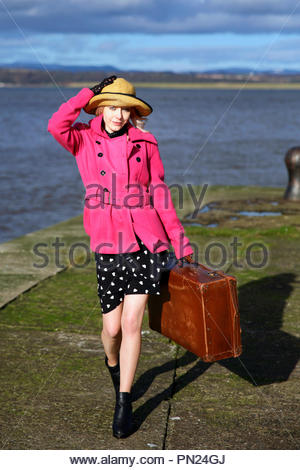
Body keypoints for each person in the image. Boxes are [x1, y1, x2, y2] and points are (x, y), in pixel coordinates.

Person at [48, 75, 194, 439]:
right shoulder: (82, 138)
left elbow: (159, 193)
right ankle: (113, 365)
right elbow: (55, 124)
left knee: (132, 324)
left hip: (145, 240)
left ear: (133, 112)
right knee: (111, 330)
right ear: (100, 107)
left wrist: (180, 239)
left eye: (125, 108)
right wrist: (88, 93)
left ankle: (124, 402)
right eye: (112, 106)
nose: (118, 115)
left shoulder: (145, 142)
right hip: (108, 242)